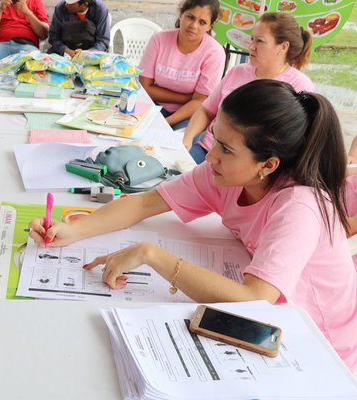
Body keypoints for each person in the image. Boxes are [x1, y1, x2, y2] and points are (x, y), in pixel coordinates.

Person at [29, 80, 357, 373]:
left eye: (226, 149)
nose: (210, 156)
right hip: (277, 322)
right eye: (215, 138)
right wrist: (75, 230)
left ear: (268, 165)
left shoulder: (300, 207)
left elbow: (255, 300)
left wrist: (151, 255)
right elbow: (144, 203)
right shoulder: (223, 174)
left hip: (322, 347)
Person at [183, 12, 314, 164]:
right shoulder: (237, 72)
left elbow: (293, 144)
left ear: (283, 47)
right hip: (207, 150)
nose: (251, 46)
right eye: (252, 39)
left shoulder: (300, 87)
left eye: (260, 41)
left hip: (247, 167)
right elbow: (206, 111)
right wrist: (188, 138)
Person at [138, 0, 225, 131]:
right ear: (181, 14)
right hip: (154, 105)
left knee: (175, 143)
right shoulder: (159, 40)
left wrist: (166, 122)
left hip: (190, 114)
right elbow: (144, 87)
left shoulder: (215, 53)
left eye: (202, 22)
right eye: (190, 17)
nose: (194, 26)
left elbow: (200, 102)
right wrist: (187, 98)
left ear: (210, 26)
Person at [0, 0, 49, 87]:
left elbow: (43, 34)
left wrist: (27, 12)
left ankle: (26, 98)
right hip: (1, 45)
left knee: (34, 62)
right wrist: (0, 9)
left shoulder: (36, 2)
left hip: (26, 46)